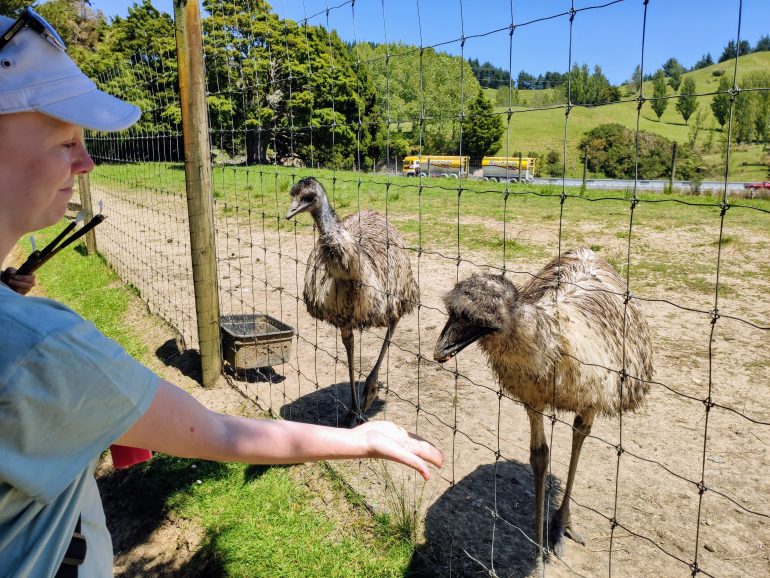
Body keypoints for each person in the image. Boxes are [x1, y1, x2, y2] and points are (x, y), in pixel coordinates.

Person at [0, 9, 444, 578]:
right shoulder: (44, 350)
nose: (86, 161)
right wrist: (362, 440)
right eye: (65, 141)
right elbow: (222, 433)